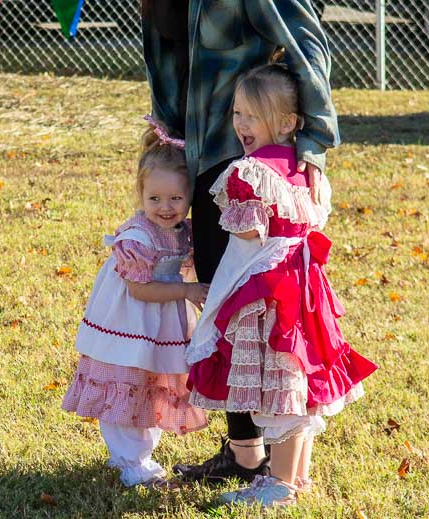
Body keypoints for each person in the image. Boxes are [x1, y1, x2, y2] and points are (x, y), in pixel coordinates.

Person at [141, 0, 340, 483]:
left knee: (253, 309)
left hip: (246, 156)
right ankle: (246, 452)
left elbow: (306, 43)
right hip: (197, 148)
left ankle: (279, 457)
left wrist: (311, 141)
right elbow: (170, 59)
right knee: (218, 296)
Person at [185, 62, 377, 508]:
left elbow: (250, 235)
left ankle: (280, 486)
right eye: (237, 113)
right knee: (298, 380)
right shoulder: (307, 171)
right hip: (305, 290)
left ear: (288, 121)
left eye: (252, 115)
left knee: (279, 387)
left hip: (271, 295)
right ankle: (295, 477)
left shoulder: (249, 172)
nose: (241, 124)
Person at [61, 123, 209, 488]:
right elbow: (141, 291)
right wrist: (188, 292)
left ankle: (137, 454)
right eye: (154, 198)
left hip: (160, 321)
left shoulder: (184, 230)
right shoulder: (136, 238)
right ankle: (130, 459)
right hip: (131, 320)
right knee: (127, 381)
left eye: (176, 198)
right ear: (140, 194)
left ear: (189, 196)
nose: (165, 207)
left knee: (152, 382)